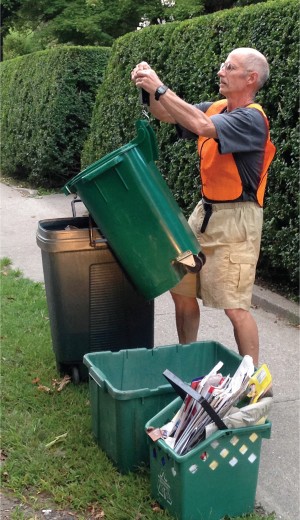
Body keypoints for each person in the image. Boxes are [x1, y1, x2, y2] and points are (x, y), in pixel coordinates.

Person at [131, 48, 275, 365]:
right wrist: (149, 86)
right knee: (180, 288)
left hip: (238, 222)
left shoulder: (252, 119)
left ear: (250, 78)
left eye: (230, 67)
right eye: (223, 64)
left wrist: (159, 86)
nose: (221, 71)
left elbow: (201, 125)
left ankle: (255, 380)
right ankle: (187, 360)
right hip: (204, 214)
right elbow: (167, 113)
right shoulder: (217, 108)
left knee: (235, 306)